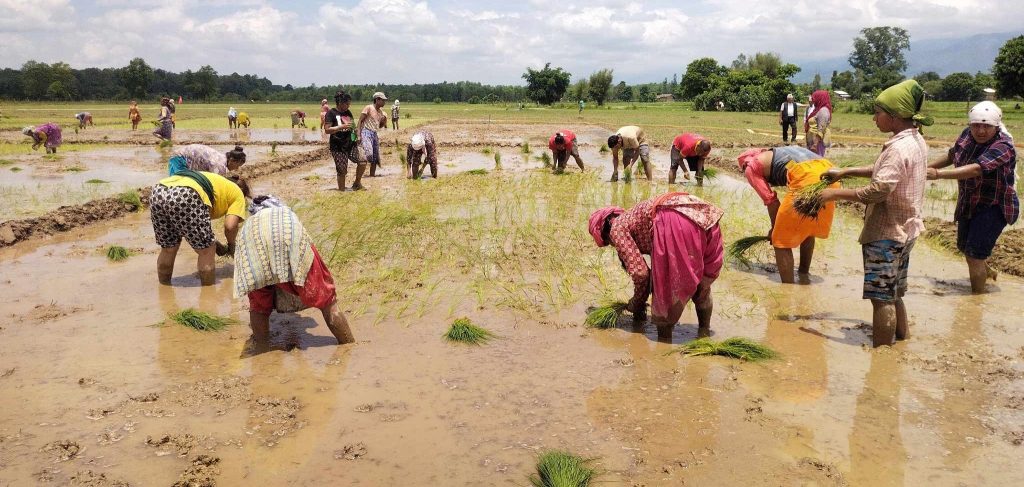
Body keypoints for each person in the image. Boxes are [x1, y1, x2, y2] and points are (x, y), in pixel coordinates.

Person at [819, 79, 932, 347]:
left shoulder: (897, 148)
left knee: (880, 297)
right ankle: (902, 340)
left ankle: (882, 357)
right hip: (907, 230)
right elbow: (887, 174)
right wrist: (845, 171)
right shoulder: (915, 140)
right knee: (894, 292)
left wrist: (833, 193)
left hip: (886, 232)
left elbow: (879, 190)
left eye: (878, 113)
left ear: (893, 117)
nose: (874, 118)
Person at [588, 192, 724, 341]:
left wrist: (636, 303)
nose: (613, 245)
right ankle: (704, 335)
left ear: (605, 233)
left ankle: (664, 350)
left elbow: (640, 273)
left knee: (664, 291)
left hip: (673, 222)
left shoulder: (617, 229)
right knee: (701, 286)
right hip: (698, 213)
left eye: (608, 243)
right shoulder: (632, 217)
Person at [233, 196, 355, 347]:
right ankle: (348, 345)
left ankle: (262, 349)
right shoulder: (285, 214)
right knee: (327, 301)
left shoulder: (250, 223)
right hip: (288, 236)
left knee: (259, 306)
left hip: (252, 245)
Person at [927, 101, 1017, 293]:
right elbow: (953, 155)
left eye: (987, 127)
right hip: (970, 201)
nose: (981, 131)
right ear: (970, 125)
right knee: (963, 246)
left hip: (994, 205)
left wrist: (939, 175)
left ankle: (977, 298)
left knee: (974, 254)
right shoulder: (967, 135)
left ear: (996, 127)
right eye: (976, 125)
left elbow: (977, 169)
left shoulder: (1004, 146)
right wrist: (929, 168)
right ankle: (986, 272)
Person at [737, 146, 838, 282]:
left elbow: (771, 201)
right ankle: (803, 275)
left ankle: (788, 289)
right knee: (807, 229)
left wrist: (774, 229)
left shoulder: (751, 167)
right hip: (831, 175)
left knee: (780, 240)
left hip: (807, 177)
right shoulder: (776, 153)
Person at [150, 170, 250, 286]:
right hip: (187, 193)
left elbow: (189, 224)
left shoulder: (218, 183)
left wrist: (213, 241)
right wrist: (232, 245)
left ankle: (164, 289)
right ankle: (208, 294)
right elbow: (230, 226)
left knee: (168, 248)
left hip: (159, 191)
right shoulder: (237, 192)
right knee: (207, 250)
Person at [324, 90, 366, 191]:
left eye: (349, 104)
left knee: (363, 160)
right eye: (347, 103)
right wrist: (340, 127)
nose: (349, 106)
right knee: (342, 171)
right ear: (340, 103)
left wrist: (357, 135)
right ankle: (341, 191)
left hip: (350, 144)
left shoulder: (347, 112)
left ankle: (357, 183)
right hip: (338, 146)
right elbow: (327, 130)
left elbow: (352, 126)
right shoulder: (331, 113)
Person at [359, 92, 388, 176]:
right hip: (366, 131)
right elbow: (360, 121)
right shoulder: (368, 108)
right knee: (369, 154)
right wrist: (358, 134)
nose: (384, 102)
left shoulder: (382, 113)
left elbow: (381, 126)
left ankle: (372, 175)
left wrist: (383, 120)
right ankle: (360, 165)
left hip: (374, 133)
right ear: (377, 99)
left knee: (375, 156)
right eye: (383, 100)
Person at [168, 145, 247, 176]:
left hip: (183, 157)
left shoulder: (222, 158)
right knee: (177, 183)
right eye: (238, 166)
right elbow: (215, 184)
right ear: (232, 160)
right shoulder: (219, 166)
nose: (237, 169)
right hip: (179, 158)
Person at [806, 90, 832, 156]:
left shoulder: (823, 111)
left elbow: (821, 129)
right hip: (813, 141)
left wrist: (815, 145)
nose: (813, 100)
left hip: (818, 144)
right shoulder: (817, 109)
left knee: (817, 161)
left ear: (820, 98)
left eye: (814, 98)